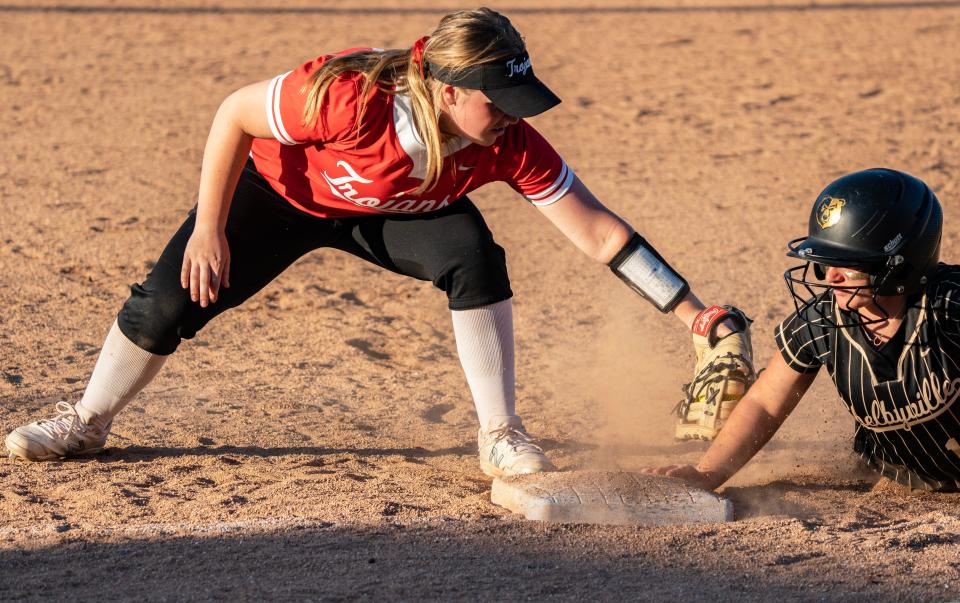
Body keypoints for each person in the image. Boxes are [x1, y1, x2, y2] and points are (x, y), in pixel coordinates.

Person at [5, 8, 753, 476]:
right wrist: (209, 227)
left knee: (474, 255)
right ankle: (88, 421)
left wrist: (692, 314)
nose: (512, 118)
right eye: (499, 102)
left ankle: (500, 433)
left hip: (397, 212)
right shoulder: (348, 94)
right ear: (449, 90)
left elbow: (597, 231)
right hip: (282, 195)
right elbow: (233, 113)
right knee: (167, 303)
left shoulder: (505, 142)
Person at [649, 168, 960, 492]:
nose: (830, 277)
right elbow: (765, 404)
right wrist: (706, 474)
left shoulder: (949, 304)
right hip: (900, 480)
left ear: (899, 262)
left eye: (848, 263)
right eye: (826, 261)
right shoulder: (823, 320)